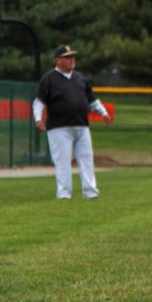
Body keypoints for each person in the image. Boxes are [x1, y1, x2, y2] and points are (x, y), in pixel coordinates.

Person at [33, 44, 112, 200]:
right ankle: (64, 194)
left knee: (87, 159)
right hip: (59, 128)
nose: (71, 60)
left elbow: (92, 100)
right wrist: (38, 118)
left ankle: (90, 192)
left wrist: (103, 112)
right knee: (62, 162)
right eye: (67, 57)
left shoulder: (80, 77)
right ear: (57, 60)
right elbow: (39, 102)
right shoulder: (49, 79)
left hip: (81, 126)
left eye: (72, 57)